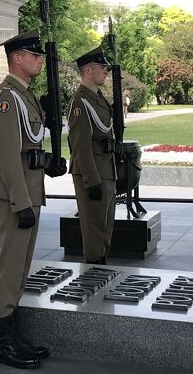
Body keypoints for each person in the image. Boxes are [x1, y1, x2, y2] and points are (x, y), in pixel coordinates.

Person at [0, 30, 56, 369]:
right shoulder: (7, 98)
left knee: (20, 269)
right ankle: (2, 342)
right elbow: (8, 156)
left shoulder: (25, 96)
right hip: (13, 196)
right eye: (34, 54)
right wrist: (20, 202)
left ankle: (13, 333)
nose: (40, 59)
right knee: (8, 269)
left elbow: (30, 147)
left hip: (27, 192)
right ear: (17, 58)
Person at [67, 46, 117, 265]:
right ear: (87, 70)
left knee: (105, 228)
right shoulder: (80, 102)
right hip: (93, 173)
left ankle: (100, 271)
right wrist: (92, 179)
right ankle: (93, 275)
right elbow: (80, 145)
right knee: (95, 231)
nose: (105, 72)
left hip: (106, 169)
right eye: (101, 67)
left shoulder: (97, 98)